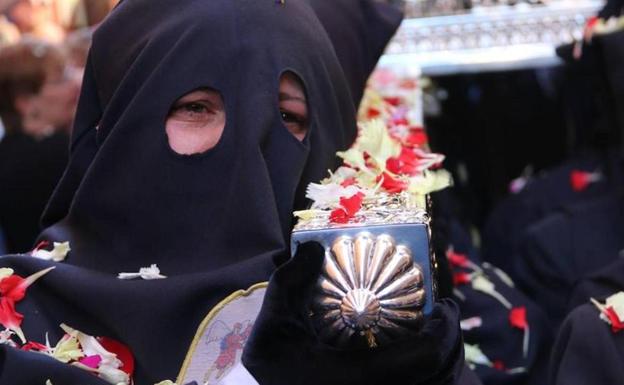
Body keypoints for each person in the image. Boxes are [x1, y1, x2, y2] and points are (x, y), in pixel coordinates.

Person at [0, 1, 467, 384]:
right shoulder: (18, 322)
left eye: (288, 117)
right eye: (197, 107)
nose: (247, 146)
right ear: (125, 120)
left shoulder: (360, 299)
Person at [0, 38, 79, 253]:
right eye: (61, 78)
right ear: (26, 102)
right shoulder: (56, 153)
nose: (76, 83)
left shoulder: (8, 152)